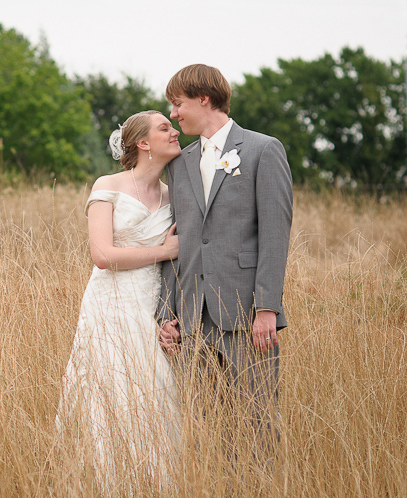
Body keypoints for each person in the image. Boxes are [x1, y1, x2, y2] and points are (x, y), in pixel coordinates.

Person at [157, 64, 293, 465]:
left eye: (177, 104)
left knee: (256, 425)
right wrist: (168, 312)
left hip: (246, 314)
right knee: (203, 430)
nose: (173, 115)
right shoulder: (179, 163)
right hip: (193, 318)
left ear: (204, 98)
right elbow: (176, 242)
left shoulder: (263, 149)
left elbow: (275, 234)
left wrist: (267, 307)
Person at [56, 110, 182, 490]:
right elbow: (103, 256)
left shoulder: (173, 193)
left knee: (157, 398)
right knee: (111, 396)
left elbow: (178, 266)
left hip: (152, 306)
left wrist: (171, 314)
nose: (175, 131)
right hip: (110, 307)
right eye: (165, 128)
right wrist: (165, 251)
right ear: (143, 143)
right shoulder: (107, 186)